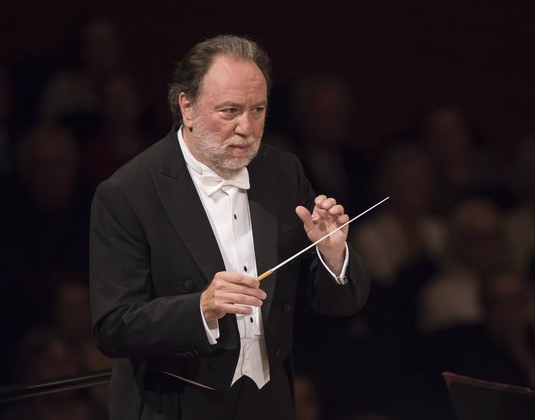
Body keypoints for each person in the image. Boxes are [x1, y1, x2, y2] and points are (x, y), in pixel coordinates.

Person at [89, 35, 370, 420]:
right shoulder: (128, 192)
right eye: (230, 111)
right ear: (186, 107)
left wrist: (333, 255)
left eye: (258, 110)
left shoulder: (282, 173)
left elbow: (336, 303)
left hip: (268, 400)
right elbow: (113, 326)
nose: (246, 127)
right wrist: (200, 308)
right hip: (177, 404)